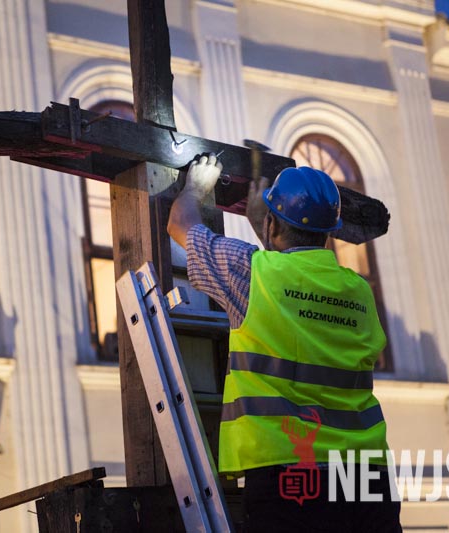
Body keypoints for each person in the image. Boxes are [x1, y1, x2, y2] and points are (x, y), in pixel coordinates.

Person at [167, 154, 401, 532]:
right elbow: (300, 290)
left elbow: (181, 223)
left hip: (291, 476)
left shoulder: (252, 273)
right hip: (366, 476)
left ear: (271, 223)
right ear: (328, 233)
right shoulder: (359, 291)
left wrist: (196, 186)